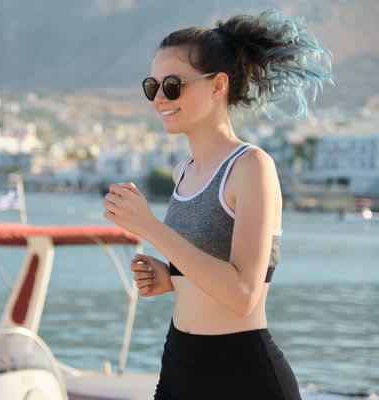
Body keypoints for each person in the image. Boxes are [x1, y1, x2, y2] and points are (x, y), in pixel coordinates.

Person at [103, 8, 332, 400]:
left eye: (173, 85)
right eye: (152, 86)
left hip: (243, 375)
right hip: (179, 365)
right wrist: (172, 278)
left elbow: (243, 294)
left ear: (217, 85)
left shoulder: (251, 167)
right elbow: (207, 268)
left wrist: (151, 228)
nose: (159, 98)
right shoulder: (183, 171)